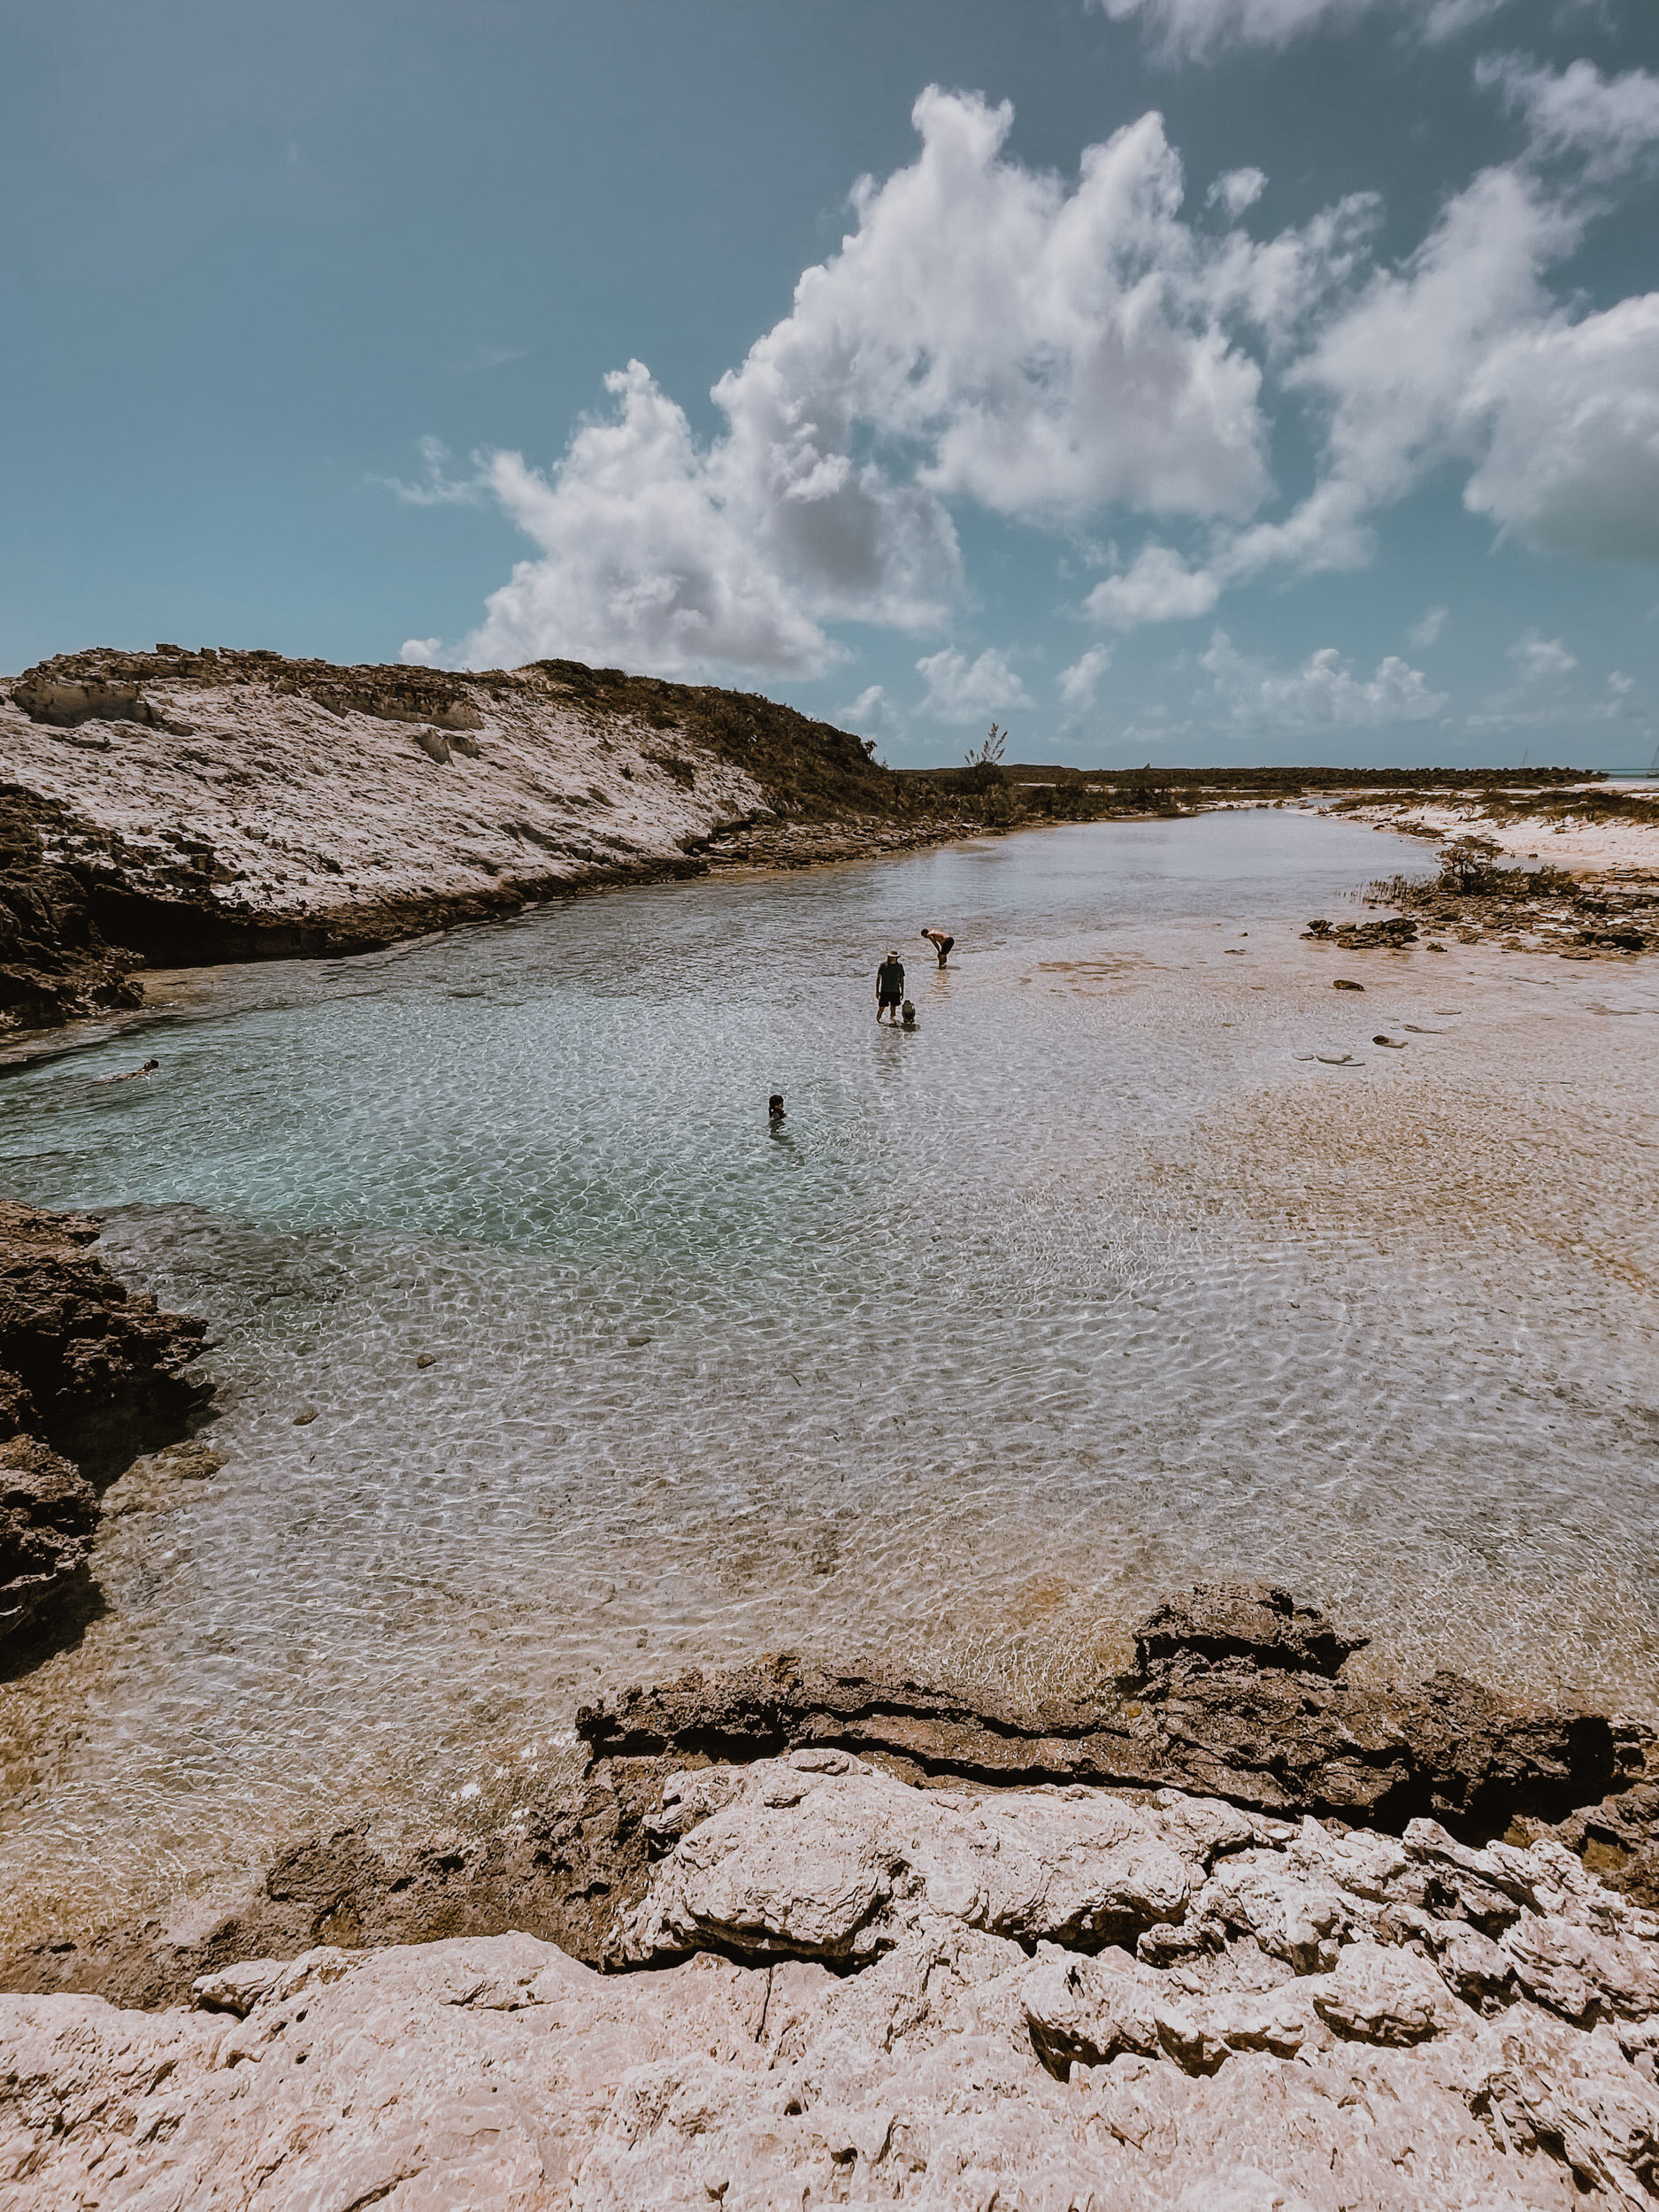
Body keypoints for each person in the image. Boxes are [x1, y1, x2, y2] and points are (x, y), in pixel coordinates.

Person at [875, 950, 905, 1022]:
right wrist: (877, 991)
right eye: (890, 957)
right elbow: (878, 979)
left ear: (897, 958)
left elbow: (902, 980)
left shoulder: (899, 966)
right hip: (884, 990)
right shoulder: (883, 966)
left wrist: (902, 992)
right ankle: (877, 1022)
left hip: (895, 990)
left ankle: (892, 1023)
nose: (891, 958)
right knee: (881, 1008)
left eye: (893, 957)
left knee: (893, 1008)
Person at [93, 1057, 158, 1086]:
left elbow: (136, 1074)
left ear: (152, 1066)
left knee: (103, 1082)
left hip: (124, 1078)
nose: (146, 1063)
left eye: (148, 1063)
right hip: (122, 1076)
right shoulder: (142, 1070)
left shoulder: (146, 1072)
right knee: (100, 1081)